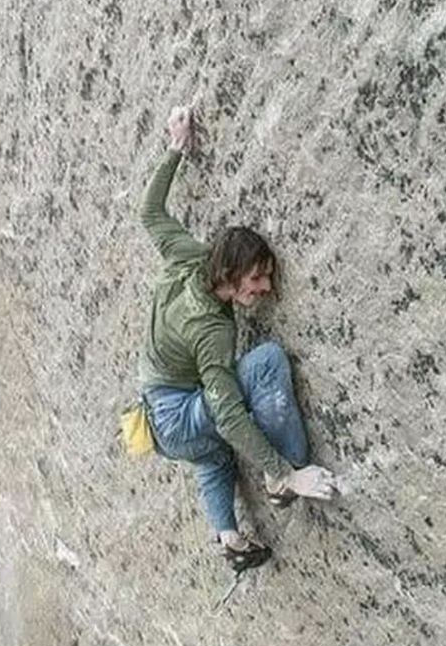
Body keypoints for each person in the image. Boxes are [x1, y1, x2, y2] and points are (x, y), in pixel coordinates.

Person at [139, 104, 335, 572]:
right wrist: (283, 471)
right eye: (256, 279)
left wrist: (176, 148)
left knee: (212, 456)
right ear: (230, 275)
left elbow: (149, 213)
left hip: (158, 420)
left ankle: (229, 537)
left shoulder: (190, 257)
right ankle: (285, 480)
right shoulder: (212, 329)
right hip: (177, 416)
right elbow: (226, 413)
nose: (265, 288)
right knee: (265, 361)